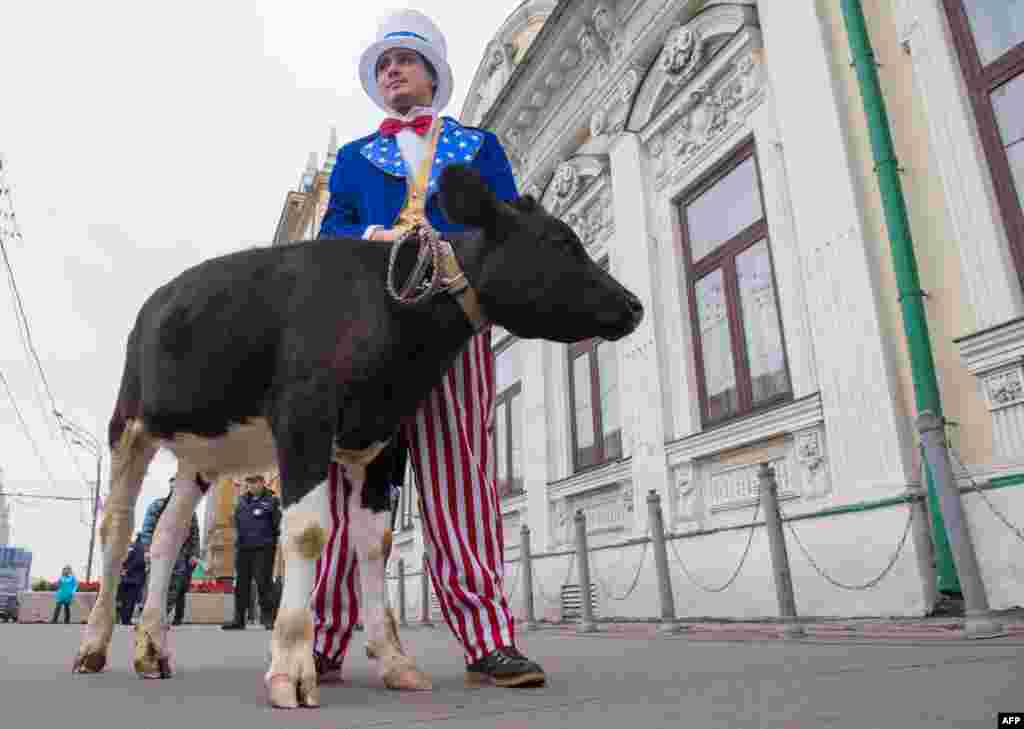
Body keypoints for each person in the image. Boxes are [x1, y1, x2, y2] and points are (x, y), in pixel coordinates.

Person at [310, 9, 545, 688]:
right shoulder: (354, 160)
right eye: (383, 64)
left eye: (404, 59)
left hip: (453, 326)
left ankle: (487, 639)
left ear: (433, 73)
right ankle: (322, 637)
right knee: (348, 482)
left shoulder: (478, 145)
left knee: (461, 480)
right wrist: (371, 237)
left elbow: (506, 223)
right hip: (373, 337)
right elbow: (331, 237)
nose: (392, 71)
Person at [223, 474, 281, 630]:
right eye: (249, 483)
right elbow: (236, 521)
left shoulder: (272, 501)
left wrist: (271, 542)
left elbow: (278, 525)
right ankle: (238, 619)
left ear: (262, 483)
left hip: (264, 548)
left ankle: (268, 618)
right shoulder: (241, 501)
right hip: (243, 549)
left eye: (255, 482)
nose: (251, 486)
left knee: (264, 583)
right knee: (241, 585)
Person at [140, 476, 200, 624]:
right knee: (154, 583)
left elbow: (194, 534)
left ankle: (162, 615)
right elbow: (147, 529)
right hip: (158, 551)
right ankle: (147, 615)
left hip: (179, 553)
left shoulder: (189, 510)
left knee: (174, 585)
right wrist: (147, 549)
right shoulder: (157, 506)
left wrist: (194, 554)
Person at [116, 534, 147, 626]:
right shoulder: (141, 548)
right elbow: (140, 562)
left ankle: (123, 618)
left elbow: (122, 560)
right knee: (130, 600)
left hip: (124, 578)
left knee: (124, 599)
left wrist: (123, 570)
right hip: (134, 579)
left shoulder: (130, 546)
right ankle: (126, 620)